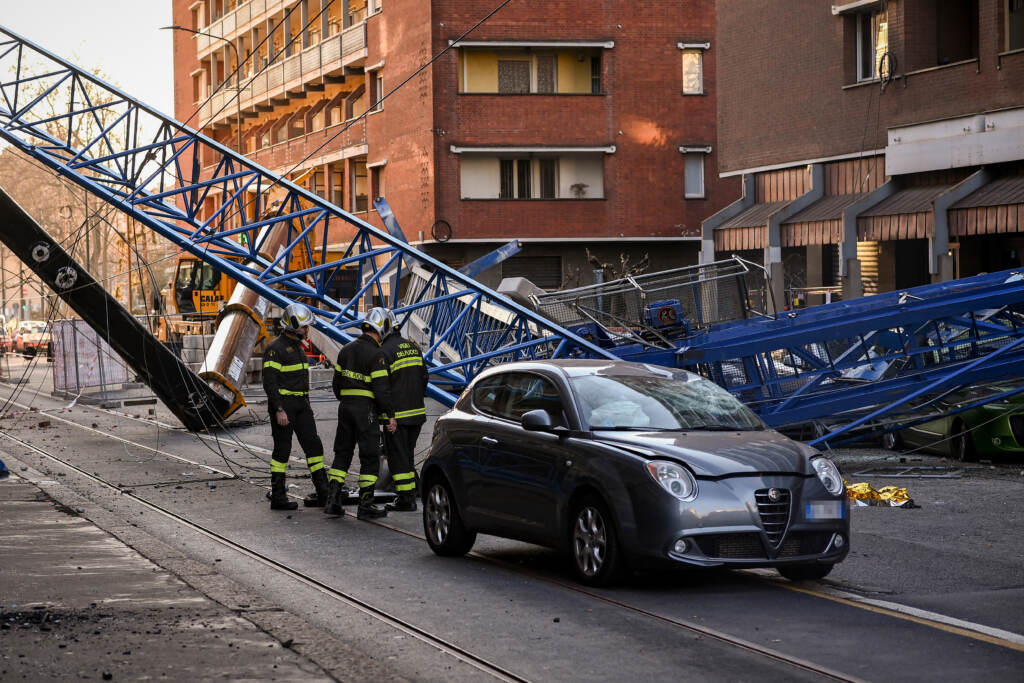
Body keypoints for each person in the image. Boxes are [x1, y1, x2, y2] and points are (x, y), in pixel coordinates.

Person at [324, 307, 396, 519]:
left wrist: (348, 400)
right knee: (370, 456)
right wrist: (389, 415)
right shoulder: (377, 354)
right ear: (381, 327)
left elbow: (336, 384)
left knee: (342, 453)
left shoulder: (346, 350)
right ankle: (366, 504)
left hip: (345, 407)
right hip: (366, 410)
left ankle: (333, 501)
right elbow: (381, 390)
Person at [262, 303, 328, 511]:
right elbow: (270, 383)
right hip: (285, 406)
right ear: (294, 325)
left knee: (314, 446)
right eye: (305, 326)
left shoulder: (298, 347)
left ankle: (324, 493)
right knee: (282, 450)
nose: (307, 330)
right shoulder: (275, 349)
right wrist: (279, 409)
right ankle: (278, 497)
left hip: (301, 405)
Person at [379, 309, 428, 512]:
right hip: (416, 414)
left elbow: (383, 387)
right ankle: (413, 491)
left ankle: (406, 498)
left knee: (398, 458)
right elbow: (424, 378)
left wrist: (386, 414)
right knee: (407, 454)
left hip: (397, 416)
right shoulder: (413, 347)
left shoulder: (384, 352)